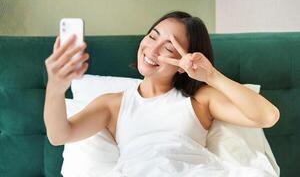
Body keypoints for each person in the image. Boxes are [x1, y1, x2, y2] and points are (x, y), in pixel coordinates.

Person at [44, 11, 280, 176]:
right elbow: (59, 135)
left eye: (168, 47)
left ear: (184, 63)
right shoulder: (113, 104)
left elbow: (267, 116)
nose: (152, 50)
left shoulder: (199, 99)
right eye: (153, 36)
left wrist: (211, 76)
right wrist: (55, 87)